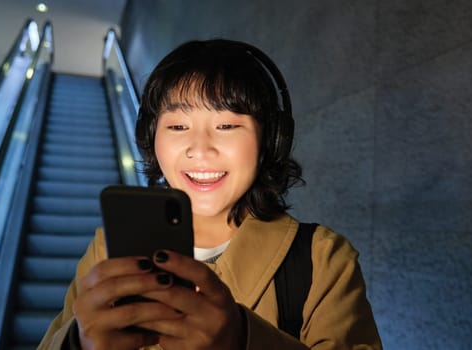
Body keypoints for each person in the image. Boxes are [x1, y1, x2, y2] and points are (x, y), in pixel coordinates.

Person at [39, 39, 381, 349]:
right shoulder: (107, 248)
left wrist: (241, 341)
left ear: (270, 140)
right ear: (150, 137)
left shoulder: (321, 259)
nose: (200, 150)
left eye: (227, 126)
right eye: (177, 126)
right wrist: (76, 344)